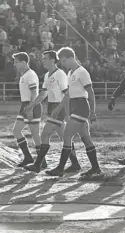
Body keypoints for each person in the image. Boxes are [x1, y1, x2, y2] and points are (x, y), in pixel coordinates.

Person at [45, 47, 101, 177]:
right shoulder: (70, 73)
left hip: (81, 107)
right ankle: (95, 168)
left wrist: (93, 112)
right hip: (75, 107)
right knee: (86, 139)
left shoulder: (82, 72)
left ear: (71, 58)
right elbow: (68, 94)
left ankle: (60, 168)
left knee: (66, 135)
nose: (63, 64)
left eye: (64, 61)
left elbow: (91, 93)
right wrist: (59, 108)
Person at [23, 50, 80, 173]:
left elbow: (68, 94)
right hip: (52, 107)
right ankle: (75, 164)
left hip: (58, 108)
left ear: (53, 60)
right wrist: (32, 105)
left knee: (45, 135)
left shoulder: (60, 74)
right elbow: (43, 94)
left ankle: (38, 165)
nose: (42, 60)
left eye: (45, 58)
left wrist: (61, 110)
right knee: (64, 137)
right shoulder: (47, 75)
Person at [12, 52, 44, 168]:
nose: (14, 64)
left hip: (32, 105)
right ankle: (28, 157)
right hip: (24, 105)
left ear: (24, 62)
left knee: (35, 134)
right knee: (16, 131)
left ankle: (42, 161)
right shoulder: (23, 74)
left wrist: (30, 109)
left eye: (16, 62)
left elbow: (34, 93)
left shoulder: (30, 75)